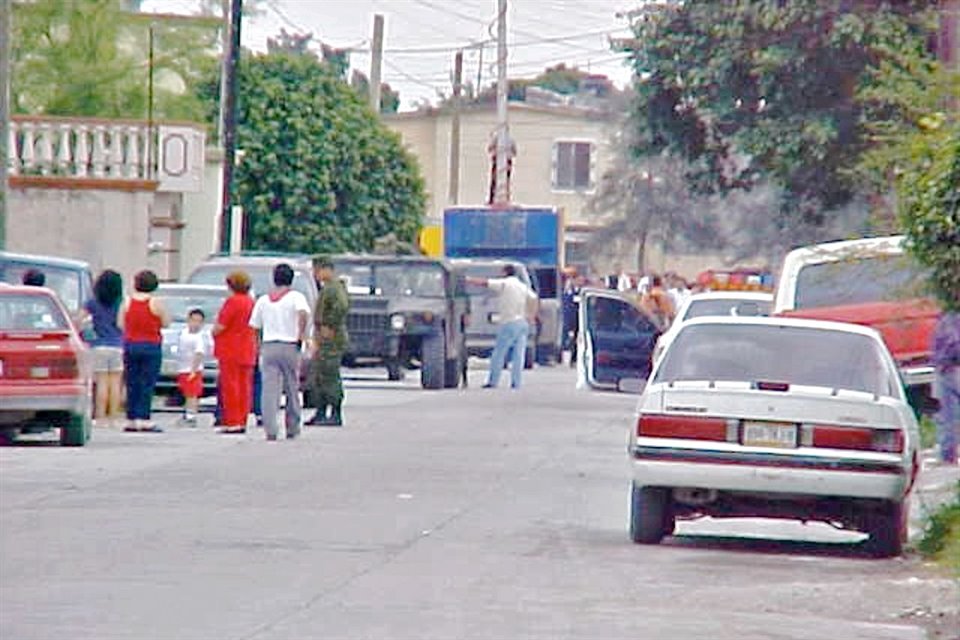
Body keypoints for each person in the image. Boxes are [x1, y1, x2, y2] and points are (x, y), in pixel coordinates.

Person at [249, 263, 310, 441]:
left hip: (269, 345)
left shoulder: (263, 300)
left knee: (269, 390)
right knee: (292, 386)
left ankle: (271, 428)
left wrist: (258, 345)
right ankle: (292, 426)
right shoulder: (295, 297)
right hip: (290, 344)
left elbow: (254, 326)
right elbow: (303, 313)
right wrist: (301, 334)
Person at [470, 265, 537, 390]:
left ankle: (493, 381)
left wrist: (468, 279)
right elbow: (533, 298)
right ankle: (516, 382)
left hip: (509, 322)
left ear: (505, 272)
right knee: (518, 354)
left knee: (499, 353)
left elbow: (485, 283)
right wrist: (531, 316)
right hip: (522, 322)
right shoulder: (523, 286)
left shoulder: (505, 284)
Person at [118, 269, 169, 433]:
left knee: (132, 381)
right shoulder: (155, 303)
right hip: (150, 345)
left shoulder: (127, 302)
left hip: (131, 344)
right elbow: (166, 322)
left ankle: (131, 418)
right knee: (147, 382)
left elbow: (120, 324)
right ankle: (144, 418)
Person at [305, 256, 350, 427]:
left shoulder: (334, 288)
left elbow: (341, 306)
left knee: (330, 375)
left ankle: (335, 412)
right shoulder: (327, 288)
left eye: (317, 270)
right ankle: (321, 411)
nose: (315, 274)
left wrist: (329, 324)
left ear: (326, 269)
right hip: (323, 338)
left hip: (331, 339)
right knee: (320, 375)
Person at [213, 271, 257, 434]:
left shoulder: (232, 302)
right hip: (247, 348)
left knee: (230, 386)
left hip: (230, 348)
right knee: (245, 386)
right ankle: (242, 419)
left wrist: (213, 332)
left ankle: (232, 420)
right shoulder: (251, 302)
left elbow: (221, 326)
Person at [83, 270, 124, 426]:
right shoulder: (120, 301)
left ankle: (99, 416)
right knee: (115, 382)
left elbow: (79, 319)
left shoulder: (92, 302)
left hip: (98, 345)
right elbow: (123, 323)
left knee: (101, 382)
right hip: (117, 344)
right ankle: (113, 416)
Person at [932, 311, 959, 465]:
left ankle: (948, 454)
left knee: (949, 414)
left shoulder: (947, 320)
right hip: (951, 367)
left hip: (948, 369)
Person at [176, 309, 207, 426]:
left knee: (192, 394)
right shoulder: (183, 333)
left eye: (199, 321)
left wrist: (194, 370)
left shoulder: (199, 338)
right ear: (188, 320)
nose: (196, 324)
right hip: (182, 368)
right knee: (186, 392)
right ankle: (186, 413)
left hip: (193, 370)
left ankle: (191, 416)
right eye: (193, 320)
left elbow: (199, 353)